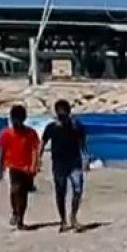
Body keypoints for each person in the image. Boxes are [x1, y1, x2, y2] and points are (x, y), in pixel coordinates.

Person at [41, 99, 89, 232]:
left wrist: (85, 158)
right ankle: (63, 220)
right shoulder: (51, 127)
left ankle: (73, 216)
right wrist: (38, 159)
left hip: (75, 162)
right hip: (59, 164)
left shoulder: (76, 126)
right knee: (60, 192)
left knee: (77, 190)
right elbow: (43, 142)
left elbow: (83, 142)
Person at [0, 105, 41, 230]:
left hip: (27, 168)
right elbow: (2, 152)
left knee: (24, 194)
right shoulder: (6, 133)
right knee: (15, 190)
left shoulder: (30, 133)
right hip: (12, 166)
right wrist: (0, 168)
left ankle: (21, 219)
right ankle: (15, 211)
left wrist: (34, 166)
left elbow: (34, 150)